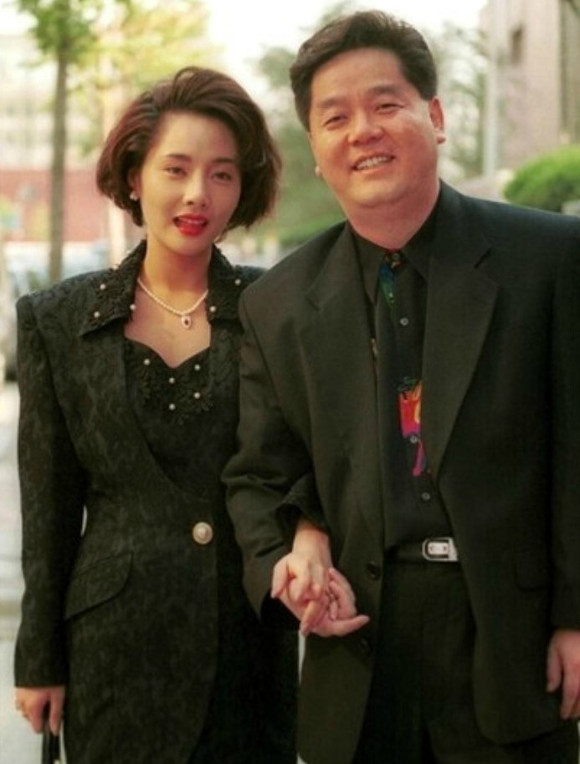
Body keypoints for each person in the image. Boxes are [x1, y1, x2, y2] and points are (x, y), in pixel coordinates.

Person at [223, 10, 580, 764]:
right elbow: (259, 475)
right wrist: (289, 555)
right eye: (335, 118)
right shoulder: (277, 304)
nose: (363, 131)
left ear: (436, 117)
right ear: (316, 150)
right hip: (360, 653)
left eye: (386, 105)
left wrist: (576, 615)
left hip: (511, 646)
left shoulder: (549, 260)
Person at [13, 65, 301, 763]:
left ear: (243, 190)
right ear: (135, 176)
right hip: (111, 651)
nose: (198, 193)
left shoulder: (275, 310)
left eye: (222, 174)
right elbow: (49, 506)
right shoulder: (58, 319)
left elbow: (302, 466)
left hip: (245, 646)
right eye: (176, 168)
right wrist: (38, 658)